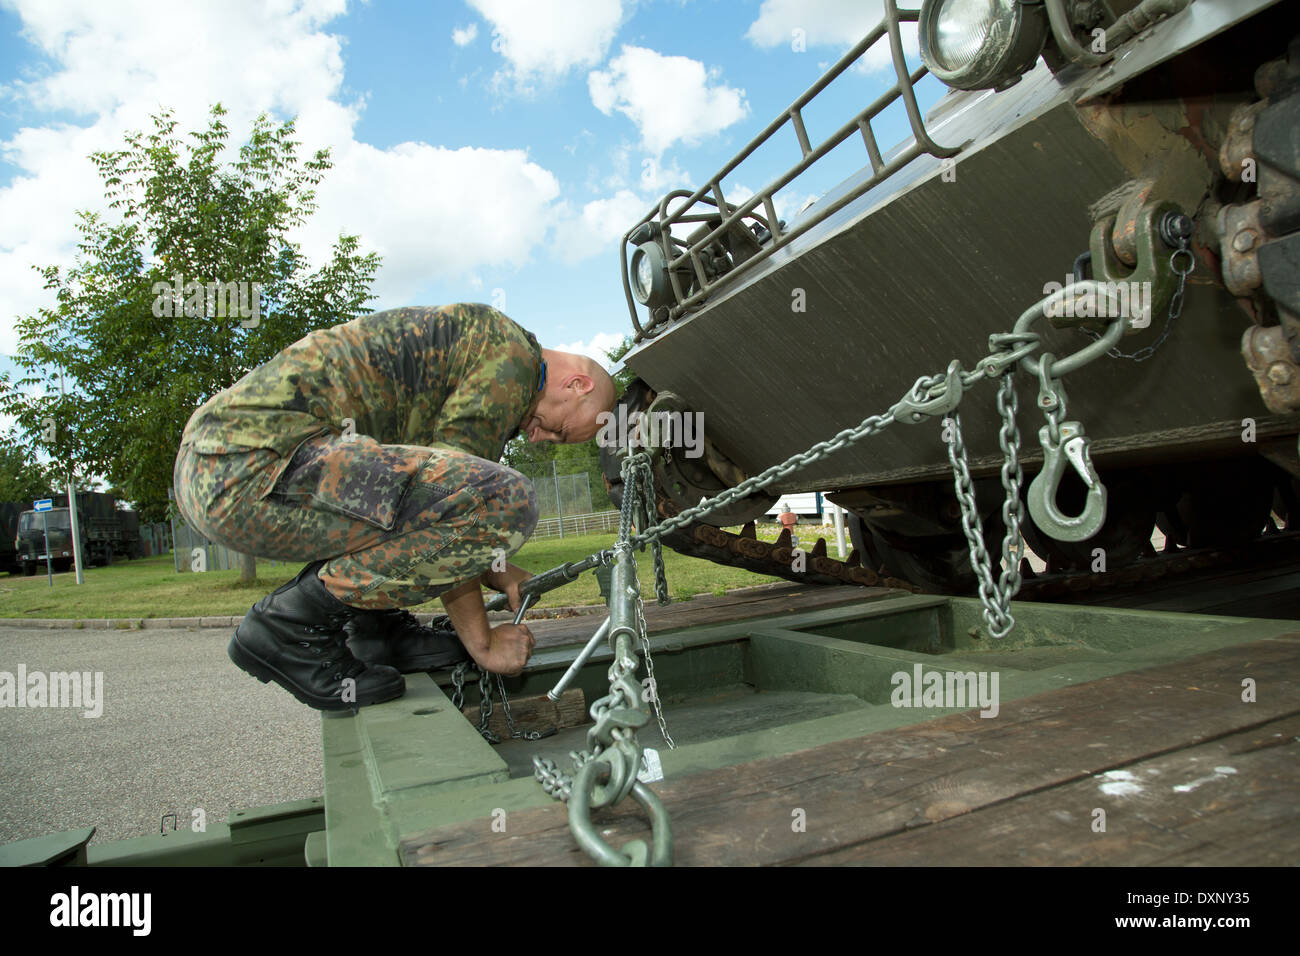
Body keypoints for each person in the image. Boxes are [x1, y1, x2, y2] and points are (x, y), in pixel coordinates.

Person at [173, 303, 617, 711]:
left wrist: (497, 569)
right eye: (560, 431)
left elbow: (427, 500)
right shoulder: (513, 365)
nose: (540, 439)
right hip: (248, 466)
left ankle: (375, 628)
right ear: (577, 385)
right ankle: (287, 626)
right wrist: (484, 644)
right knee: (508, 499)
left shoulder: (494, 348)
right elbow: (464, 500)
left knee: (465, 492)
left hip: (225, 466)